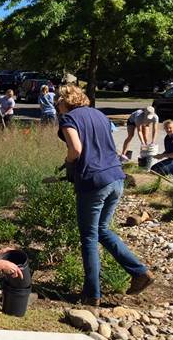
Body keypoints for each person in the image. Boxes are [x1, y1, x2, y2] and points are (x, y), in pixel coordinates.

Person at [56, 84, 153, 306]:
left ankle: (92, 294)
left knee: (89, 237)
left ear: (65, 101)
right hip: (116, 178)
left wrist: (69, 164)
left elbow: (76, 149)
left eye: (58, 102)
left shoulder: (68, 119)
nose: (57, 106)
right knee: (102, 230)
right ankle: (139, 272)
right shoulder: (100, 115)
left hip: (94, 182)